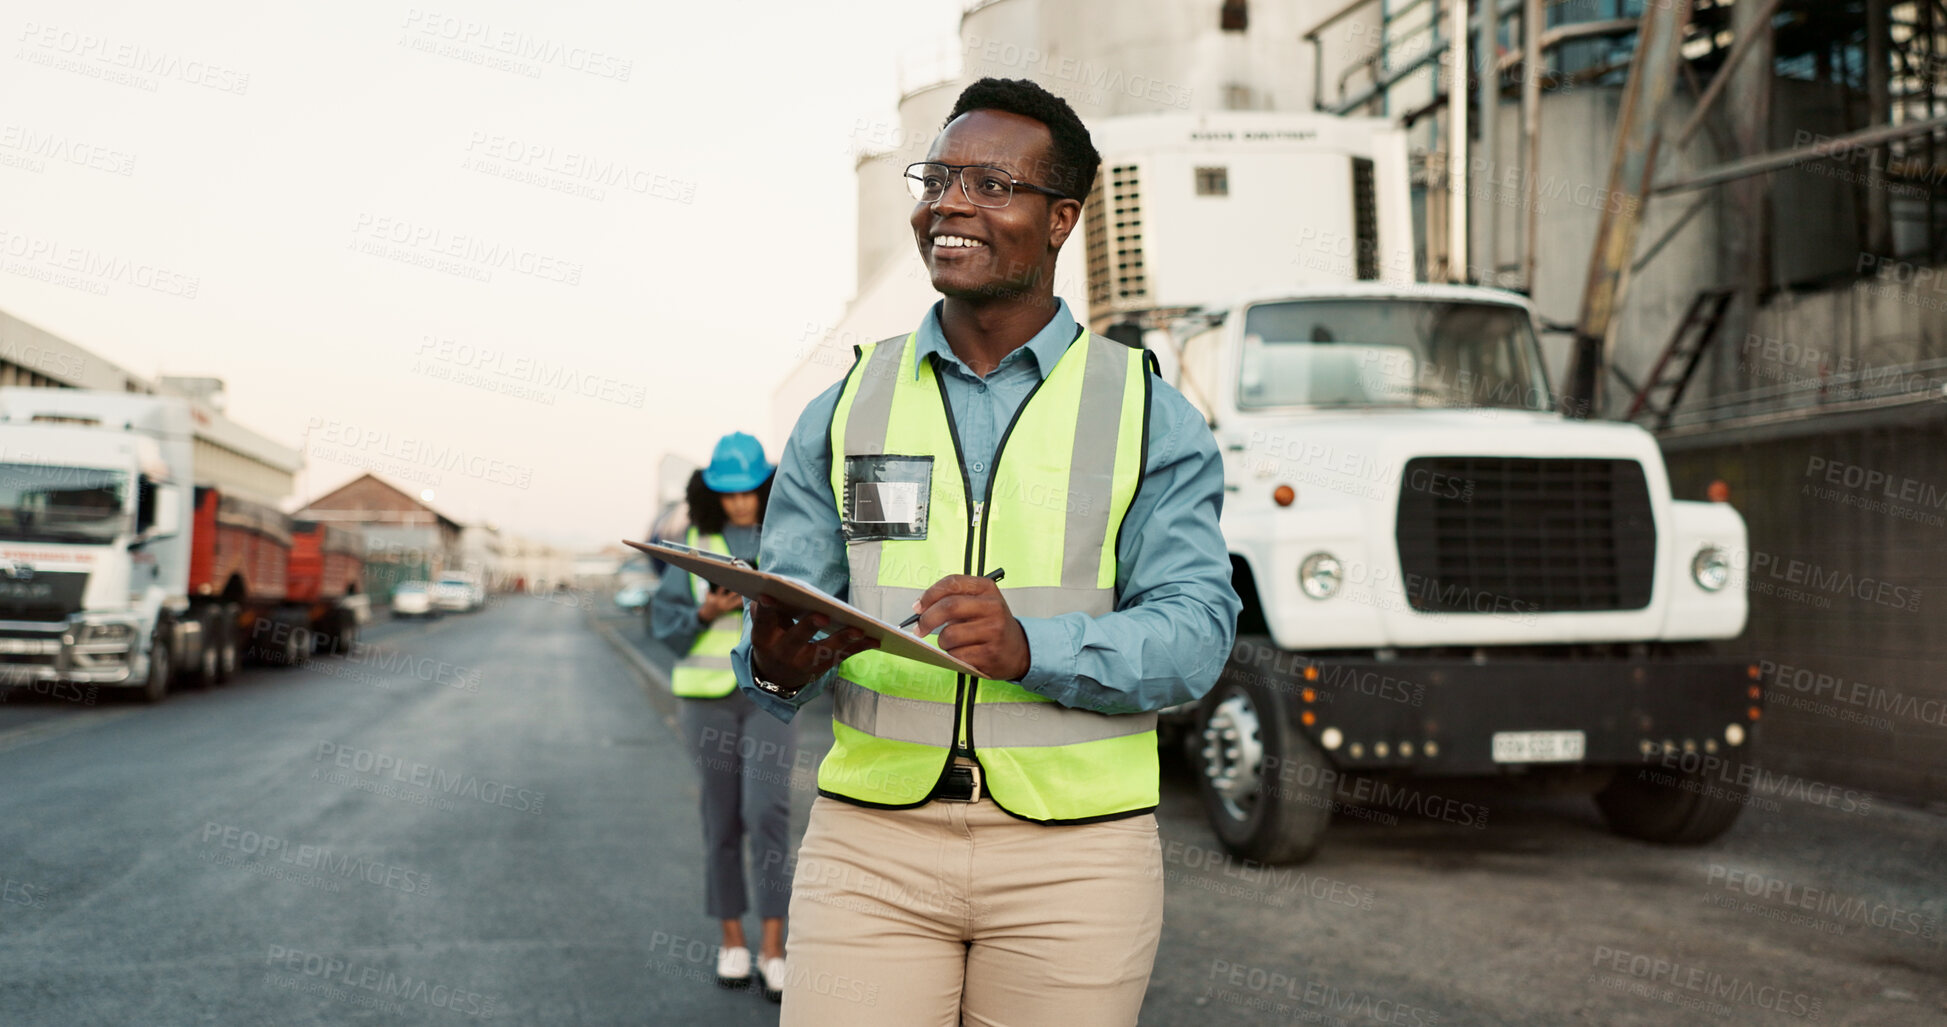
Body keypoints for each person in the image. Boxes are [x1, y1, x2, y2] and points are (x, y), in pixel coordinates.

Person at [732, 78, 1240, 1026]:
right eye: (938, 178)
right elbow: (788, 621)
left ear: (1060, 221)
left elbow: (1197, 635)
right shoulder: (848, 404)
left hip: (1077, 859)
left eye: (990, 183)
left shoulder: (1146, 411)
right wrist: (773, 662)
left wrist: (1030, 649)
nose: (949, 203)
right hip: (870, 847)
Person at [650, 432, 794, 1001]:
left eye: (749, 491)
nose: (740, 503)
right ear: (712, 493)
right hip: (704, 699)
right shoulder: (692, 543)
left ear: (766, 486)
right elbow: (666, 628)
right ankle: (732, 941)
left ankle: (774, 949)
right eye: (728, 493)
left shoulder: (787, 538)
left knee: (768, 817)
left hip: (770, 698)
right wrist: (707, 610)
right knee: (722, 819)